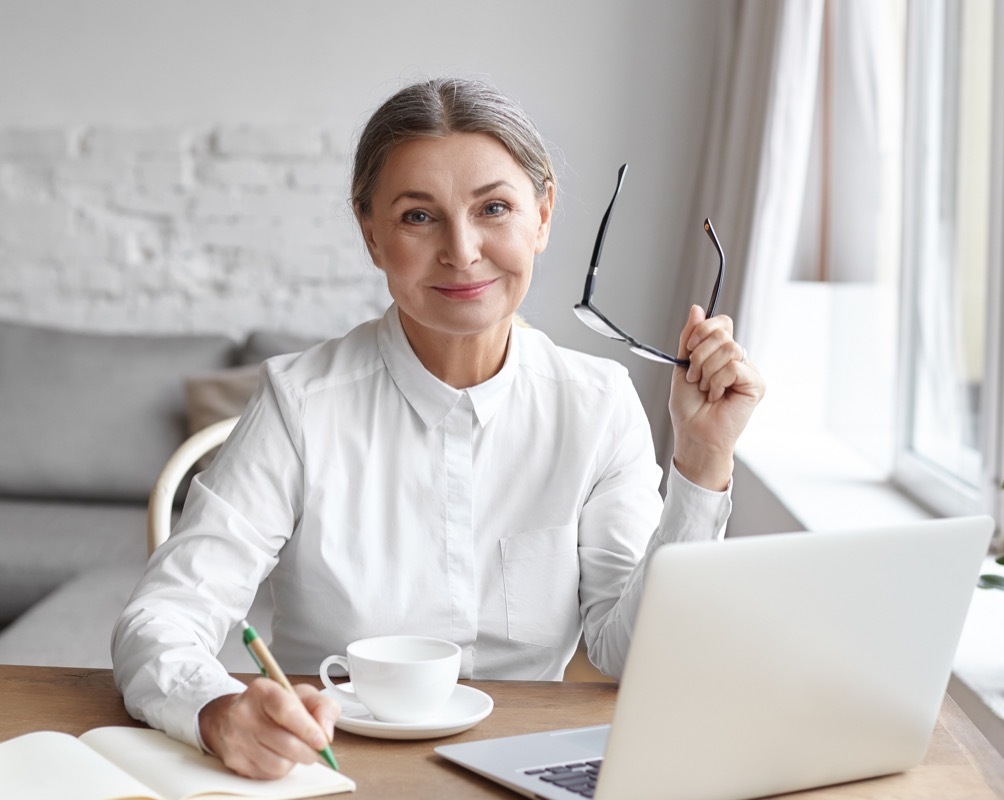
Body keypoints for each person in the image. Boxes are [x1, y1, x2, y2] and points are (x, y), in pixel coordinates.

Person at [111, 76, 765, 780]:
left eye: (494, 208)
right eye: (419, 217)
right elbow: (164, 619)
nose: (462, 250)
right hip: (334, 769)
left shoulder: (598, 402)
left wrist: (700, 458)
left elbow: (630, 652)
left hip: (532, 768)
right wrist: (216, 712)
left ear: (542, 216)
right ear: (371, 235)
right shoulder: (298, 404)